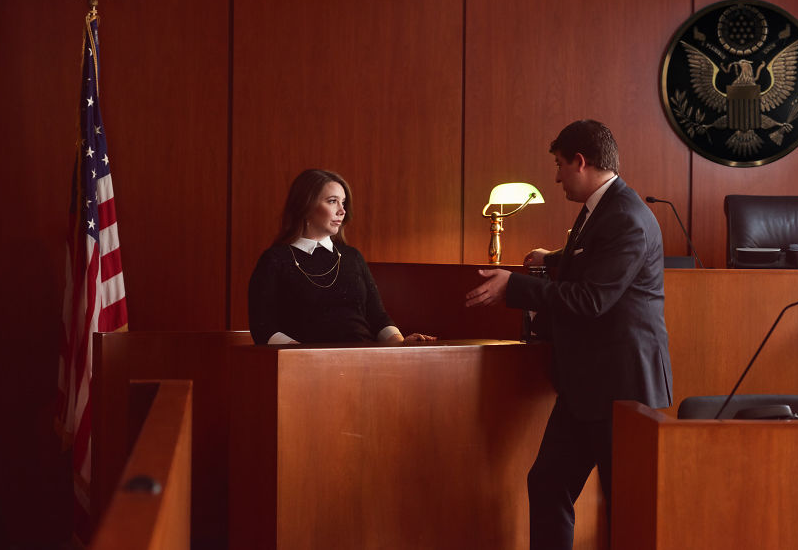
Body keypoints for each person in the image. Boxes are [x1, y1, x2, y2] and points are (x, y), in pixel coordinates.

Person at [465, 120, 672, 549]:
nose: (556, 176)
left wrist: (514, 286)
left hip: (623, 390)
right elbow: (590, 254)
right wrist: (552, 258)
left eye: (560, 165)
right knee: (547, 484)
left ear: (581, 162)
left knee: (626, 505)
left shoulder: (627, 216)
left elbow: (593, 298)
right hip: (586, 388)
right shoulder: (604, 209)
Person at [249, 168, 436, 345]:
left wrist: (401, 344)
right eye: (332, 201)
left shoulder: (352, 257)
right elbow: (263, 328)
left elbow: (378, 317)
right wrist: (299, 355)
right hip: (308, 368)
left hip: (367, 361)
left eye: (343, 202)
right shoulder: (274, 260)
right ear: (305, 206)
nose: (342, 211)